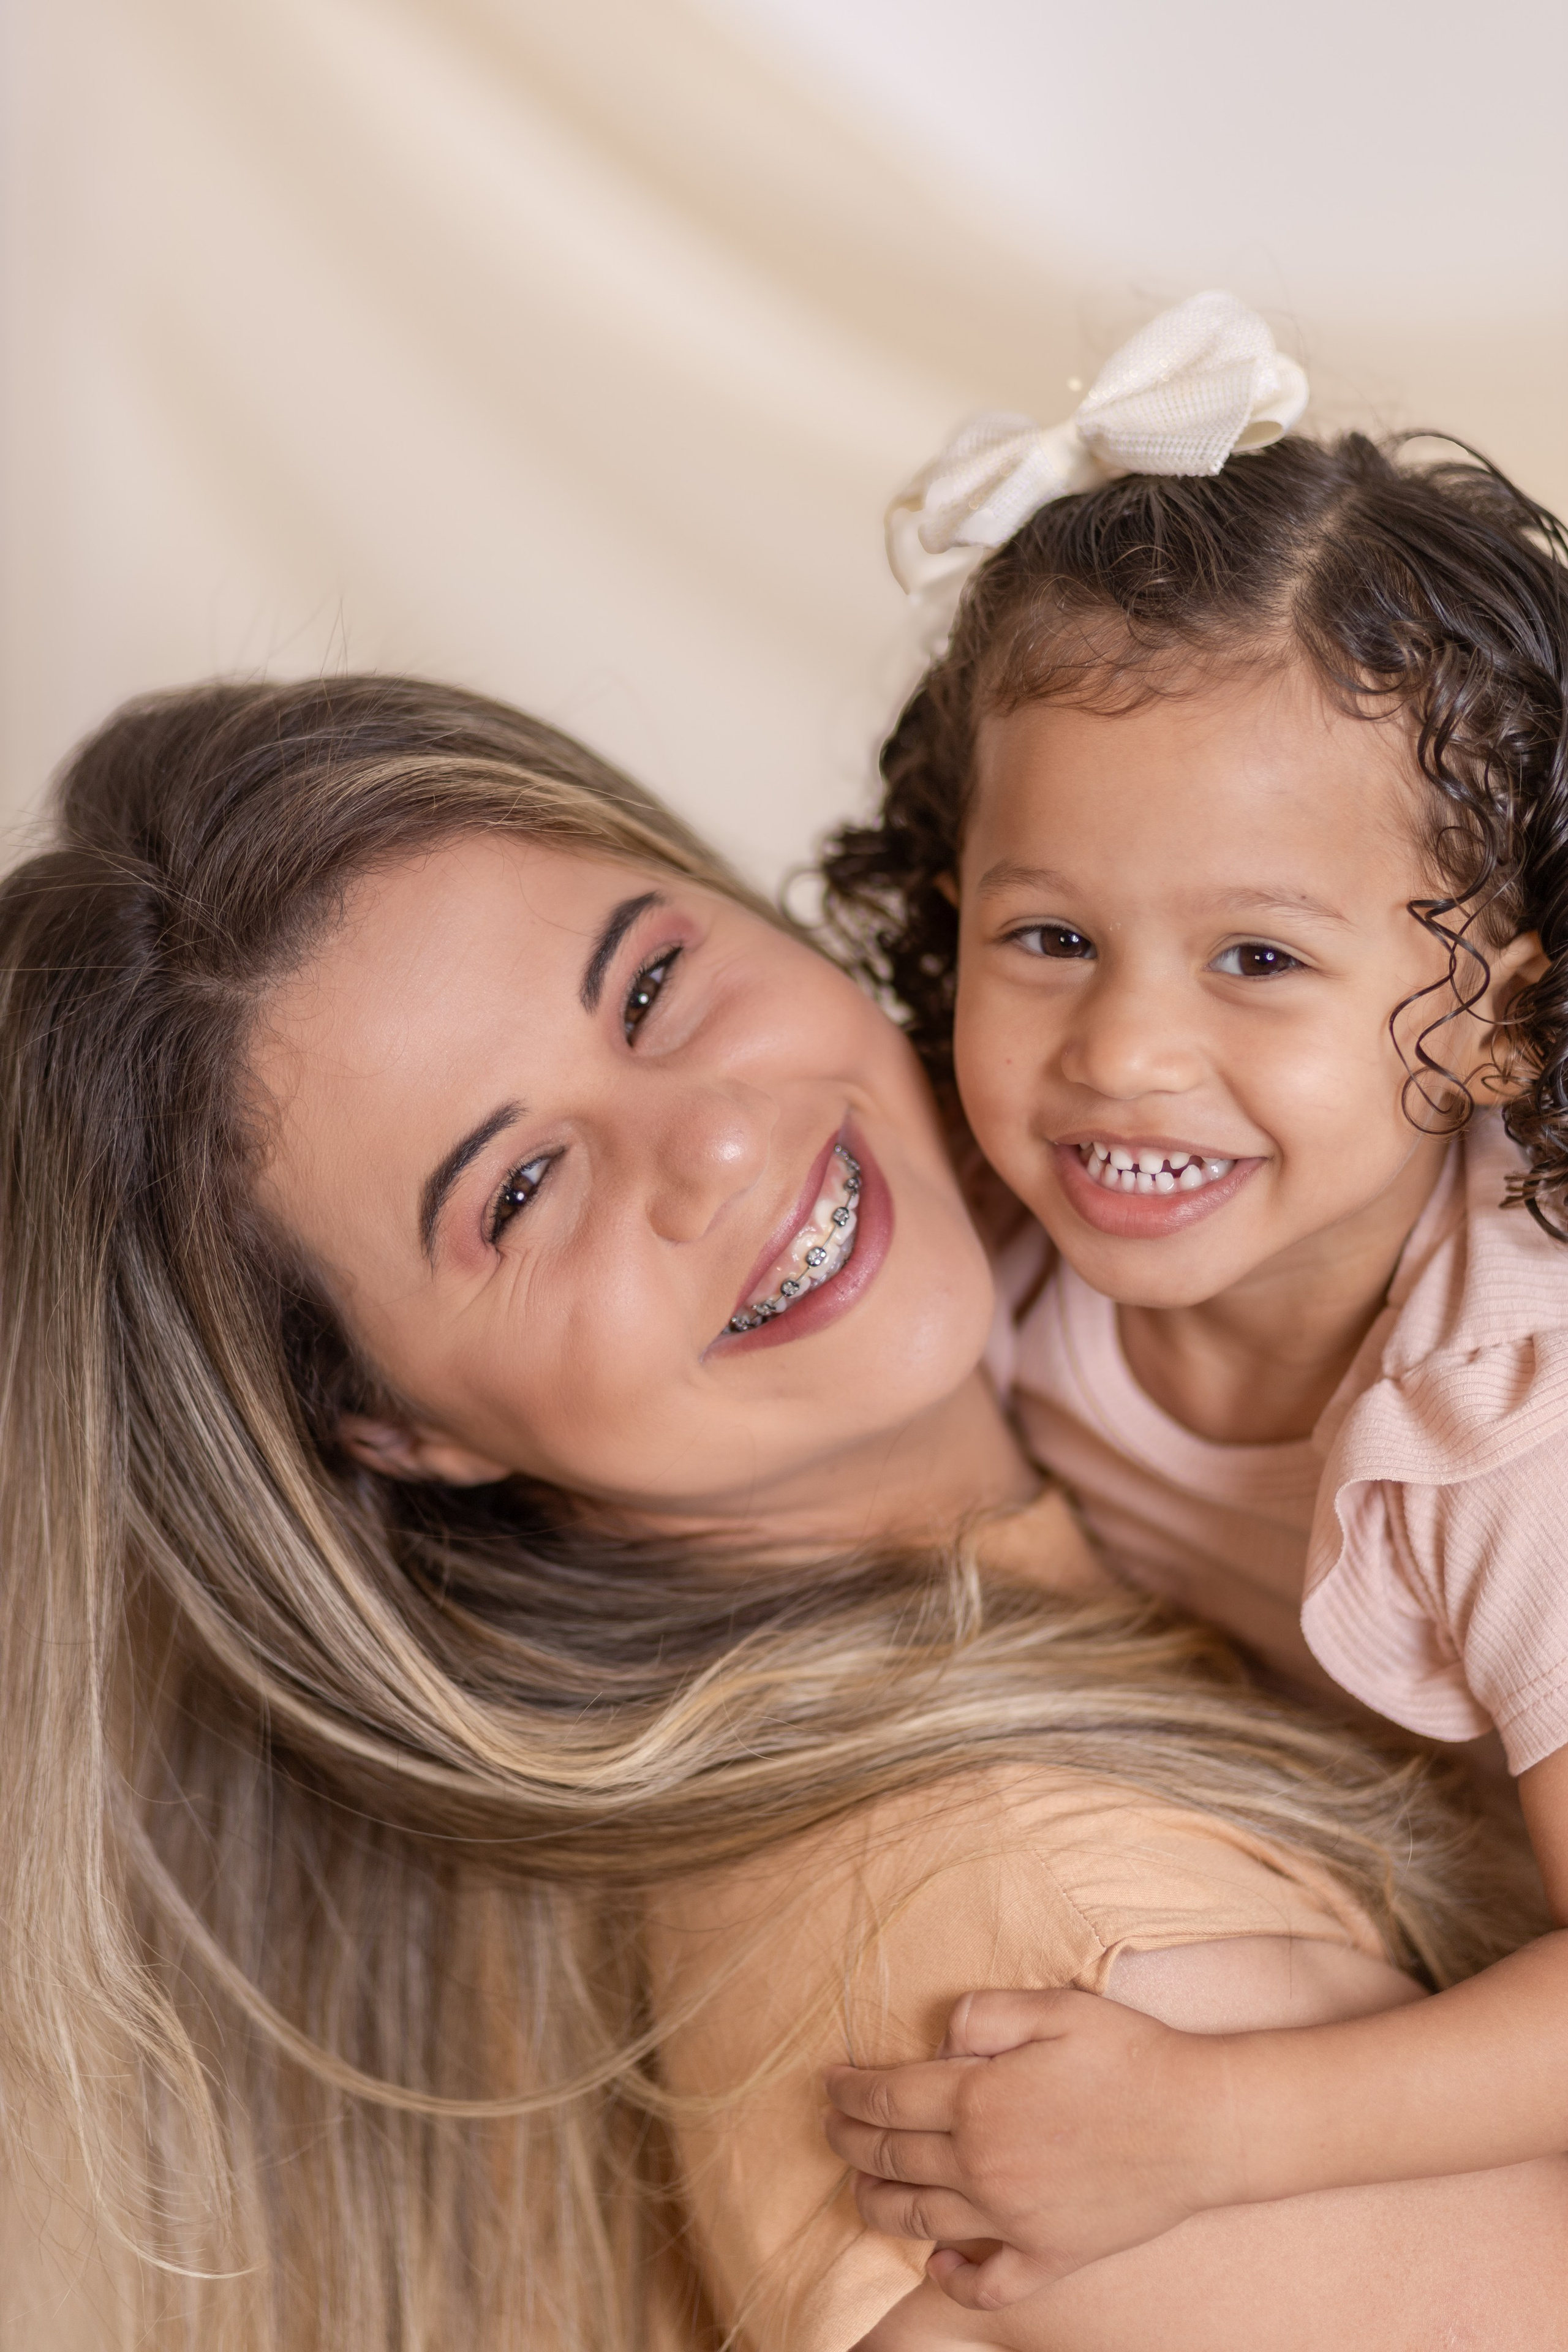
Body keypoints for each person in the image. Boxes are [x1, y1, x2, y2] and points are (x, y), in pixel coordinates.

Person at [2, 673, 1562, 2352]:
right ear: (391, 1432)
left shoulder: (1176, 1381)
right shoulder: (1051, 1961)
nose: (723, 1143)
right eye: (520, 1191)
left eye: (657, 985)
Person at [819, 293, 1568, 2306]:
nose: (1125, 1054)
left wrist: (1211, 2130)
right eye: (1049, 935)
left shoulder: (1513, 1432)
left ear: (1495, 1027)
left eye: (1257, 960)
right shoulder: (980, 1236)